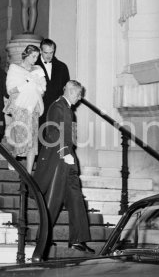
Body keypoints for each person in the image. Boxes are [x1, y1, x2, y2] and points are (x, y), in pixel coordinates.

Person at [33, 80, 94, 254]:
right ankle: (42, 239)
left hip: (68, 160)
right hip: (59, 161)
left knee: (76, 198)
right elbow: (52, 133)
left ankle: (78, 239)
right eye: (78, 94)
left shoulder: (67, 109)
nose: (80, 98)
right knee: (53, 201)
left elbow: (68, 136)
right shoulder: (57, 107)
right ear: (72, 92)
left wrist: (71, 157)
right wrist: (65, 153)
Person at [4, 44, 46, 172]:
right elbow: (11, 90)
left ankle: (28, 172)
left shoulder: (38, 69)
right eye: (33, 56)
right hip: (20, 106)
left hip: (33, 106)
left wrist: (37, 84)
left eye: (37, 57)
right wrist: (27, 82)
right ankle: (13, 158)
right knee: (20, 135)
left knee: (32, 140)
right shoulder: (15, 68)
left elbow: (43, 89)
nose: (35, 59)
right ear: (26, 54)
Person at [36, 38, 70, 125]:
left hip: (57, 111)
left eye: (51, 52)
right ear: (40, 51)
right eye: (46, 52)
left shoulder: (62, 67)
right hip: (39, 111)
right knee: (40, 137)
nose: (49, 56)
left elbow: (66, 90)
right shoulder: (33, 66)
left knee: (57, 137)